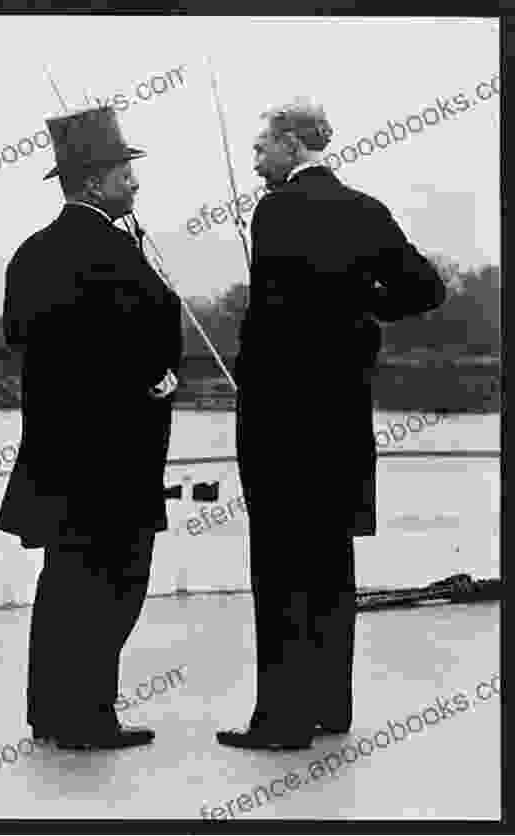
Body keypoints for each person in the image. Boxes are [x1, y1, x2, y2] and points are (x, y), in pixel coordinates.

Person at [218, 98, 447, 750]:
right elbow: (425, 289)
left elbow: (276, 319)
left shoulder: (276, 210)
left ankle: (281, 720)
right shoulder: (366, 209)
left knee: (282, 566)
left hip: (283, 420)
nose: (257, 158)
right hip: (344, 419)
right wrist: (365, 302)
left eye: (262, 146)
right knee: (330, 563)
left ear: (292, 144)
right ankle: (329, 706)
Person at [0, 106, 183, 750]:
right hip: (113, 459)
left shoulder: (30, 253)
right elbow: (145, 329)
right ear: (96, 180)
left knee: (63, 586)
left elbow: (23, 339)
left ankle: (51, 712)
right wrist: (152, 378)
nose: (135, 183)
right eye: (126, 172)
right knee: (115, 586)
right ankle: (89, 717)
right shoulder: (112, 250)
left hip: (55, 457)